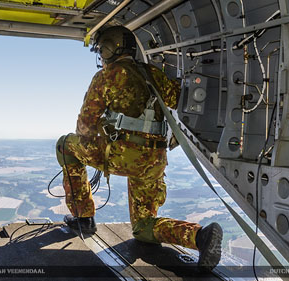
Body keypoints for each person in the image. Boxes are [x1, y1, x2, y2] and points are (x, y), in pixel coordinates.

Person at [55, 25, 222, 270]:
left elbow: (84, 126)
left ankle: (83, 216)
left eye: (101, 50)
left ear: (109, 49)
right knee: (143, 228)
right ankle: (200, 237)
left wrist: (100, 146)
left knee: (64, 146)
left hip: (119, 155)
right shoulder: (155, 74)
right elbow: (179, 101)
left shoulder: (106, 76)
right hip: (153, 160)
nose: (101, 55)